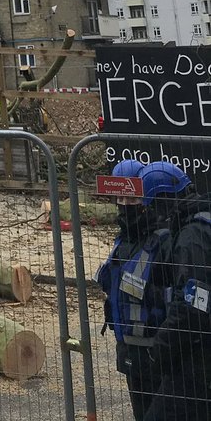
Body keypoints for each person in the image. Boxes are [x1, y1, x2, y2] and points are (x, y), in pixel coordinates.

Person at [96, 158, 211, 420]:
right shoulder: (135, 239)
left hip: (173, 355)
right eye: (121, 201)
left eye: (136, 202)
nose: (129, 208)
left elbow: (193, 303)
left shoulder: (185, 237)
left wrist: (159, 350)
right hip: (142, 350)